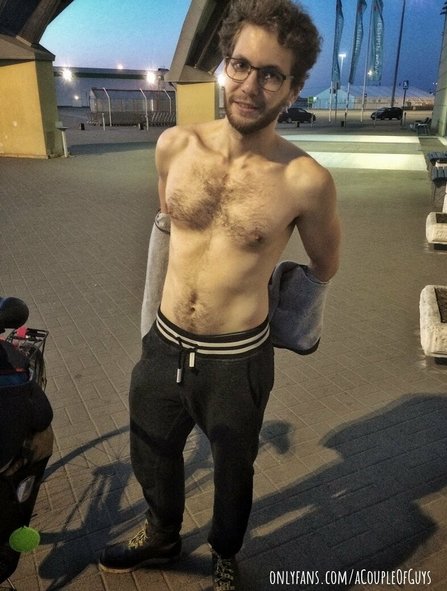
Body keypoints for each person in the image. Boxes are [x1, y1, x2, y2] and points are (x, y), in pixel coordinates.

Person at [99, 0, 340, 589]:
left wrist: (277, 306)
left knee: (234, 468)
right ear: (225, 66)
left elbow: (324, 265)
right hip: (163, 345)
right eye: (241, 65)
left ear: (294, 88)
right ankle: (161, 534)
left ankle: (225, 552)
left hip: (237, 361)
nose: (250, 86)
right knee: (151, 448)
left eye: (271, 74)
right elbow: (168, 226)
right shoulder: (174, 146)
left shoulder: (305, 181)